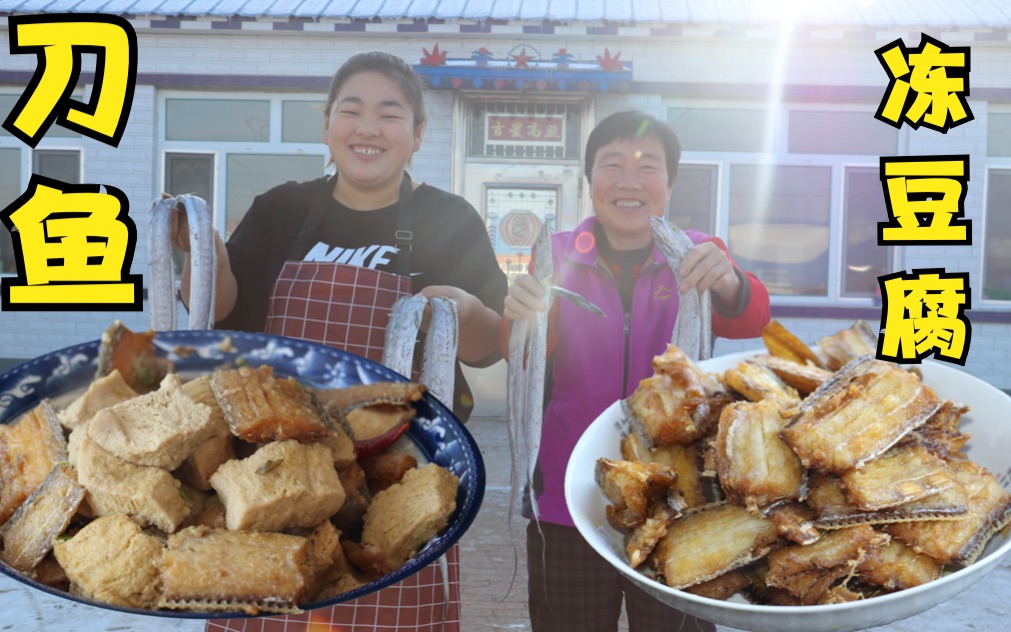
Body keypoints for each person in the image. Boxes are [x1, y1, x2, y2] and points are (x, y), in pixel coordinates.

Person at [173, 51, 507, 632]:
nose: (368, 128)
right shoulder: (280, 209)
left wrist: (463, 310)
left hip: (397, 480)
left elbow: (486, 344)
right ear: (327, 125)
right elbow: (220, 311)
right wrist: (202, 254)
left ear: (418, 134)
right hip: (277, 473)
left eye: (390, 113)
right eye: (350, 111)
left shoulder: (450, 219)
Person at [502, 110, 771, 632]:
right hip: (569, 498)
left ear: (669, 185)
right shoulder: (554, 257)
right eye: (612, 164)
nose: (629, 180)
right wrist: (518, 314)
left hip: (682, 499)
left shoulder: (696, 253)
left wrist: (731, 280)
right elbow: (520, 358)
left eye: (648, 166)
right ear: (590, 182)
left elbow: (753, 315)